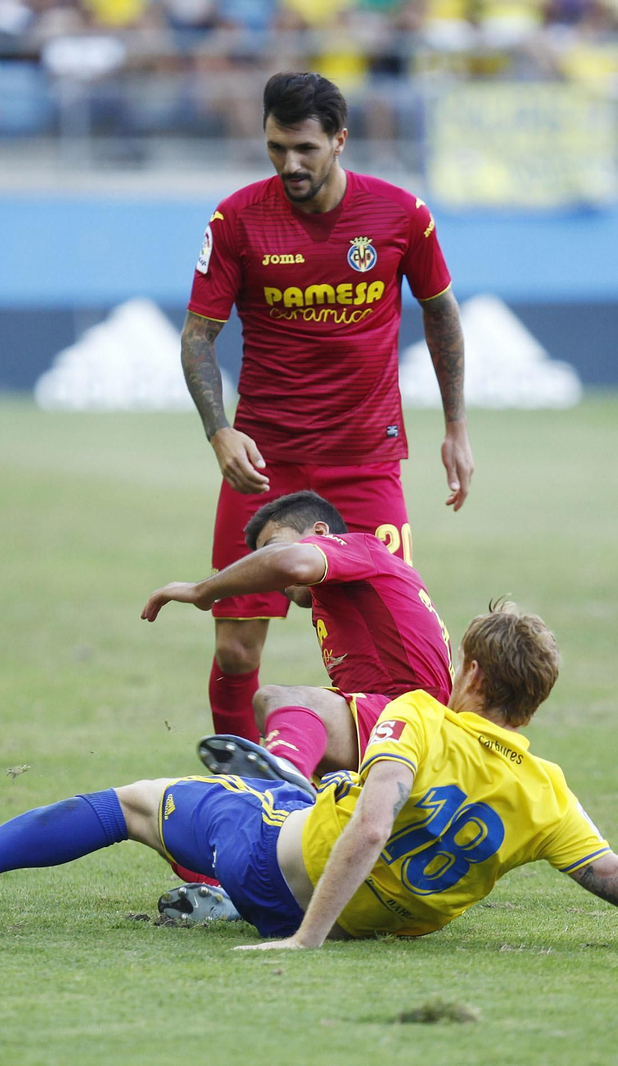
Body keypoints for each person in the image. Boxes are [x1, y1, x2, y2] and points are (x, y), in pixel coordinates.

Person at [0, 604, 618, 954]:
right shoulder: (547, 794)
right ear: (534, 702)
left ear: (465, 675)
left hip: (271, 870)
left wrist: (303, 941)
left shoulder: (418, 715)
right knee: (300, 791)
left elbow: (370, 827)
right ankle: (269, 788)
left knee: (128, 805)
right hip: (357, 881)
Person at [181, 71, 474, 747]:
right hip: (265, 466)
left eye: (306, 148)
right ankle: (242, 807)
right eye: (277, 146)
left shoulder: (402, 215)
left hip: (366, 462)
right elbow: (199, 336)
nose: (290, 163)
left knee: (393, 659)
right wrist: (220, 431)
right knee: (236, 655)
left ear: (340, 141)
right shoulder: (237, 220)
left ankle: (381, 797)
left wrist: (455, 427)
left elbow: (441, 314)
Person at [143, 489, 454, 791]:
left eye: (272, 546)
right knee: (301, 731)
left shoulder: (360, 548)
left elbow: (290, 563)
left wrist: (202, 592)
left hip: (413, 720)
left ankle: (281, 793)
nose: (273, 577)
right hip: (401, 722)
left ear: (320, 532)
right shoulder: (340, 597)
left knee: (279, 701)